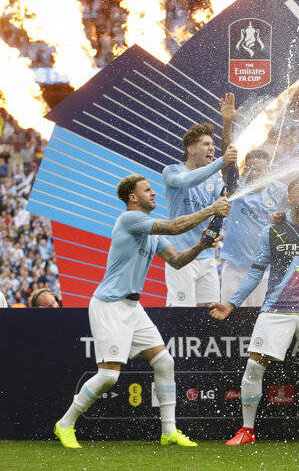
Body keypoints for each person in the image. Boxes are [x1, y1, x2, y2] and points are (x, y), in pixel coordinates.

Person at [54, 174, 231, 449]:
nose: (154, 194)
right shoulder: (129, 219)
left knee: (164, 363)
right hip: (110, 305)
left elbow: (177, 260)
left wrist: (201, 245)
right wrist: (211, 209)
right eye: (147, 190)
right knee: (109, 376)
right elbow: (173, 227)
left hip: (132, 307)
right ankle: (65, 424)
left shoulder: (150, 231)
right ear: (133, 198)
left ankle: (169, 431)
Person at [209, 177, 299, 445]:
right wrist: (231, 303)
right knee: (254, 365)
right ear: (290, 199)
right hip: (276, 309)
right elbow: (256, 272)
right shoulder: (272, 230)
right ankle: (247, 430)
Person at [161, 96, 237, 306]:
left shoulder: (214, 178)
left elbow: (218, 210)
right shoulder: (172, 172)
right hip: (180, 254)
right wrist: (222, 161)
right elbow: (189, 181)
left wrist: (227, 124)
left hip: (205, 256)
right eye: (206, 144)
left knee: (208, 310)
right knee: (182, 312)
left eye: (213, 144)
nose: (212, 148)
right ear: (191, 149)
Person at [220, 150, 286, 307]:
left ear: (268, 171)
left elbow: (294, 217)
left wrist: (282, 218)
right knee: (230, 320)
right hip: (234, 267)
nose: (253, 173)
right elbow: (227, 165)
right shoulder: (235, 187)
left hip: (264, 269)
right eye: (248, 168)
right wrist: (228, 126)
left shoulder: (280, 190)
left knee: (259, 319)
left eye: (258, 169)